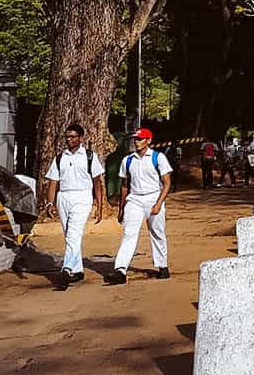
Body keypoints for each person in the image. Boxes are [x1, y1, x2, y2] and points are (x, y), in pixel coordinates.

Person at [106, 127, 172, 284]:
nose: (136, 142)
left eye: (140, 139)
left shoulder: (158, 158)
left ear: (148, 141)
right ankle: (120, 269)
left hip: (153, 197)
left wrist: (158, 203)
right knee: (129, 233)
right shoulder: (128, 160)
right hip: (134, 200)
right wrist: (122, 208)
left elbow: (167, 182)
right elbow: (124, 185)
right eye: (135, 139)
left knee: (157, 233)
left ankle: (162, 266)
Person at [44, 123, 104, 288]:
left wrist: (99, 205)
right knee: (69, 235)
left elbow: (97, 183)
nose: (69, 140)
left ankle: (67, 268)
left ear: (81, 138)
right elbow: (53, 182)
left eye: (73, 137)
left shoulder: (90, 156)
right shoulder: (59, 158)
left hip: (83, 196)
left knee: (74, 234)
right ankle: (78, 271)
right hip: (63, 197)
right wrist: (50, 202)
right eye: (67, 137)